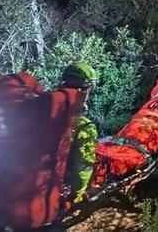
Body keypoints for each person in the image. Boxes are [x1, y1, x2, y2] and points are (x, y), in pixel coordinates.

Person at [60, 62, 98, 207]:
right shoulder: (83, 126)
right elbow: (83, 169)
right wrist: (77, 195)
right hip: (55, 187)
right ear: (86, 90)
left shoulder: (45, 107)